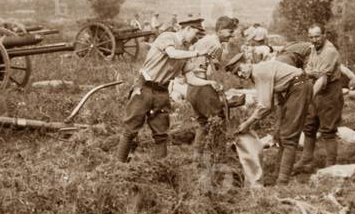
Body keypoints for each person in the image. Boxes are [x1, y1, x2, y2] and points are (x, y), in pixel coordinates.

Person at [116, 21, 204, 162]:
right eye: (196, 33)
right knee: (130, 130)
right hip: (144, 88)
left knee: (161, 132)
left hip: (162, 91)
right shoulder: (168, 37)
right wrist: (197, 53)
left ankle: (161, 168)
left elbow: (191, 78)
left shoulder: (186, 50)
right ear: (187, 29)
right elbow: (172, 53)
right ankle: (117, 166)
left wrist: (209, 83)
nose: (197, 37)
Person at [232, 57, 312, 186]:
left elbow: (265, 106)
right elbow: (271, 103)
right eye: (236, 73)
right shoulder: (257, 72)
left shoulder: (259, 73)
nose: (240, 74)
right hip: (292, 89)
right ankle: (277, 176)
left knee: (289, 137)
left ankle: (282, 183)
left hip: (299, 87)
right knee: (281, 135)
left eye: (240, 69)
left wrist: (248, 123)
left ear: (248, 63)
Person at [184, 16, 241, 153]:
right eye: (230, 32)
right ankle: (219, 156)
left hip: (192, 87)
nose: (232, 35)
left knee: (203, 124)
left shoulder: (205, 40)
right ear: (220, 30)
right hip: (202, 86)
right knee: (218, 120)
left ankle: (197, 157)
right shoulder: (216, 45)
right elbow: (209, 71)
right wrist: (217, 87)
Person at [294, 24, 344, 174]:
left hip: (329, 92)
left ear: (324, 35)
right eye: (311, 37)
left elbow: (322, 79)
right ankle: (306, 159)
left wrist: (307, 98)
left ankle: (331, 165)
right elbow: (308, 70)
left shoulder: (329, 51)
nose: (314, 40)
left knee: (328, 129)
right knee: (309, 125)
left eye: (317, 36)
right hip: (316, 89)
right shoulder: (313, 49)